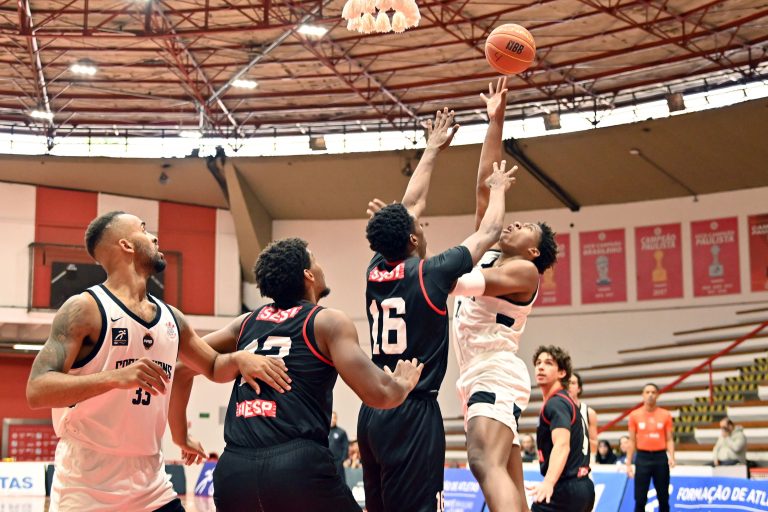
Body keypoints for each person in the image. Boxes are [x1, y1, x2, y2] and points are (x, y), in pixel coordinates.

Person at [25, 211, 290, 512]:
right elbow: (37, 389)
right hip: (86, 487)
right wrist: (115, 377)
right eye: (143, 229)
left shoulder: (172, 318)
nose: (154, 237)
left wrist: (240, 359)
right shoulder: (85, 309)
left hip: (150, 483)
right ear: (125, 245)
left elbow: (213, 366)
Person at [169, 237, 423, 512]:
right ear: (308, 275)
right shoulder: (327, 321)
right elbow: (381, 394)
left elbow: (181, 368)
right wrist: (403, 383)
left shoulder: (245, 324)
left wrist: (181, 437)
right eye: (315, 260)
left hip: (234, 472)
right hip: (296, 468)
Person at [359, 107, 516, 512]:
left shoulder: (376, 268)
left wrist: (431, 149)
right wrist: (498, 187)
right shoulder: (431, 273)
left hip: (372, 410)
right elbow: (490, 231)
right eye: (419, 227)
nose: (421, 225)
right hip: (412, 409)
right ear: (412, 239)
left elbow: (411, 203)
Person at [451, 76, 558, 512]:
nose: (513, 223)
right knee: (508, 479)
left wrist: (425, 275)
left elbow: (467, 283)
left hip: (494, 372)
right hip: (476, 373)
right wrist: (495, 121)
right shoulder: (492, 250)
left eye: (525, 227)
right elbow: (485, 186)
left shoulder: (525, 270)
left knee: (482, 461)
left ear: (533, 250)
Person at [527, 345, 594, 512]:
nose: (541, 367)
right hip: (582, 486)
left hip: (566, 489)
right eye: (538, 363)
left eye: (548, 363)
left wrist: (548, 482)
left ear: (562, 373)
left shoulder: (556, 403)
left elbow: (562, 445)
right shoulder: (565, 402)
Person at [626, 383, 675, 512]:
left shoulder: (666, 415)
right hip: (642, 458)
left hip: (660, 458)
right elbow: (631, 441)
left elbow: (669, 439)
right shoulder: (634, 415)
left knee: (663, 498)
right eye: (647, 392)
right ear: (642, 395)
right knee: (640, 498)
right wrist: (628, 463)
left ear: (657, 395)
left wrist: (672, 457)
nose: (650, 395)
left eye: (653, 392)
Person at [568, 372, 598, 457]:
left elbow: (594, 447)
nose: (569, 386)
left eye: (573, 383)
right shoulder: (556, 410)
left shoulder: (589, 413)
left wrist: (577, 437)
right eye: (567, 383)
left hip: (581, 459)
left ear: (579, 388)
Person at [329, 411, 350, 482]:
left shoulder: (341, 432)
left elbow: (345, 447)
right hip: (326, 461)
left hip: (338, 462)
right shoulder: (324, 431)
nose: (332, 420)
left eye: (334, 418)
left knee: (340, 481)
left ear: (336, 419)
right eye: (331, 418)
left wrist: (342, 460)